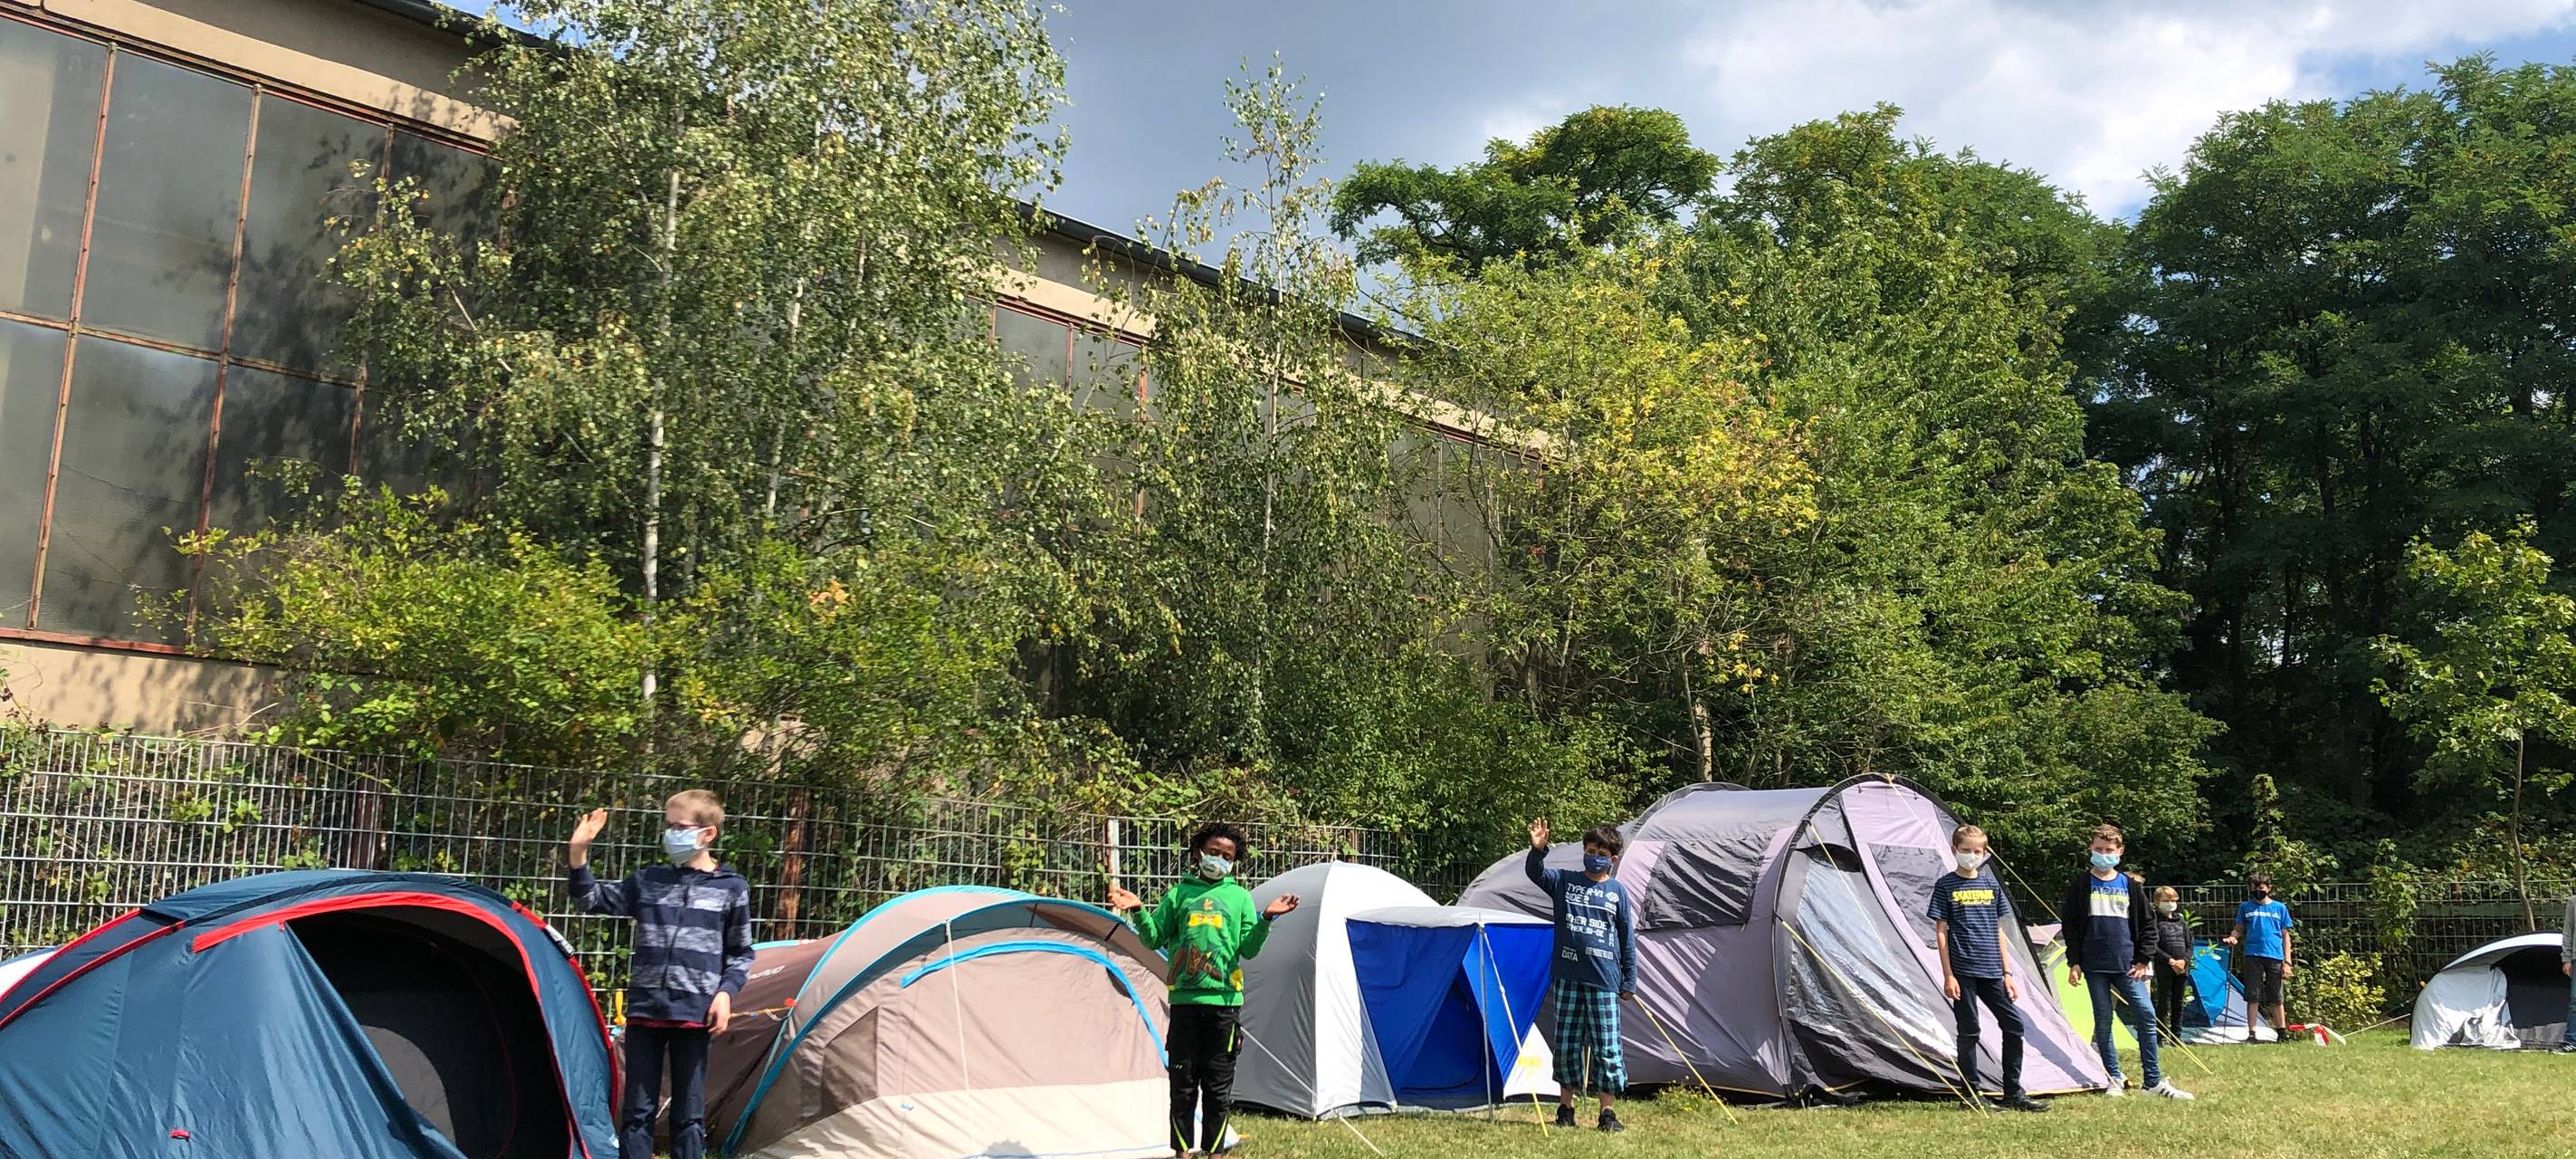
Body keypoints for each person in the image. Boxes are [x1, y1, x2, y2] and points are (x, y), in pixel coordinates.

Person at [567, 790, 756, 1159]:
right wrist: (579, 854)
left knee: (689, 1114)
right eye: (669, 826)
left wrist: (725, 993)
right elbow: (589, 899)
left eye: (680, 826)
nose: (671, 833)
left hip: (695, 1014)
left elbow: (741, 952)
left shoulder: (732, 888)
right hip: (646, 1011)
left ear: (708, 833)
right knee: (637, 1112)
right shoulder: (649, 881)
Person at [1107, 823, 1299, 1158]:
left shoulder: (1239, 898)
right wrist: (1138, 910)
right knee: (1182, 1087)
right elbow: (1153, 939)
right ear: (1199, 852)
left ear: (1234, 861)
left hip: (1224, 1007)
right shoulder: (1179, 894)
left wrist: (1267, 917)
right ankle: (1182, 1152)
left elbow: (1249, 949)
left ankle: (1215, 1153)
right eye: (1213, 852)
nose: (1219, 859)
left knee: (1217, 1088)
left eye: (1227, 856)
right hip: (1184, 1004)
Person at [2057, 825, 2192, 1099]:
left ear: (2120, 852)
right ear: (2090, 849)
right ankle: (2113, 1078)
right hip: (2094, 965)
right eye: (2099, 849)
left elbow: (2148, 925)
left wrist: (2143, 959)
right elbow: (2070, 925)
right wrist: (2075, 961)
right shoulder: (2081, 884)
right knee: (2104, 1020)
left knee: (2146, 1013)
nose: (2103, 854)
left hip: (2129, 964)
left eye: (2109, 850)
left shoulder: (2129, 886)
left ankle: (2152, 1082)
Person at [1526, 818, 1638, 1133]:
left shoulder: (1618, 892)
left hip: (1605, 981)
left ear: (1613, 859)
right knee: (1566, 1045)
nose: (1595, 855)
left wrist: (1629, 981)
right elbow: (1535, 873)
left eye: (1601, 852)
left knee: (1607, 1048)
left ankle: (1607, 1113)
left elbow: (1626, 938)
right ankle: (1566, 1109)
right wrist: (1538, 850)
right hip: (1567, 977)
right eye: (1590, 850)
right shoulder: (1565, 882)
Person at [1927, 824, 2046, 1112]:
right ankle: (1971, 1094)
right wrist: (1948, 974)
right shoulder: (1945, 885)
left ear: (1985, 852)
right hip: (1963, 970)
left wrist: (2008, 973)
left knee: (2014, 1026)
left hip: (1992, 969)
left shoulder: (1991, 885)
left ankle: (2013, 1092)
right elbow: (1941, 932)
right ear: (1954, 851)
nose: (1971, 855)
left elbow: (1998, 930)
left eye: (1977, 851)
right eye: (1966, 850)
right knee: (1969, 1031)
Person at [2225, 872, 2295, 1039]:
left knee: (2277, 996)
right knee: (2252, 995)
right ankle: (2252, 1033)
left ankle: (2282, 1033)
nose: (2258, 892)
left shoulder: (2280, 908)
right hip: (2252, 955)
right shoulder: (2245, 907)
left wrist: (2287, 961)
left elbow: (2285, 936)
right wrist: (2233, 937)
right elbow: (2239, 928)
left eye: (2261, 888)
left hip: (2275, 956)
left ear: (2269, 888)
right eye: (2254, 889)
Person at [2149, 886, 2195, 1037]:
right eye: (2166, 900)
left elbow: (2190, 944)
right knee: (2164, 1001)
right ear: (2157, 902)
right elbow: (2153, 946)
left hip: (2182, 968)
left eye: (2173, 900)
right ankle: (2161, 1035)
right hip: (2165, 968)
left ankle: (2177, 1035)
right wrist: (2171, 961)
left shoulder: (2181, 922)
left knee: (2178, 1002)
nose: (2170, 903)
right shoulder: (2154, 922)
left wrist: (2184, 961)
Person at [2560, 893, 2575, 1053]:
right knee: (2575, 1001)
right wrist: (2567, 958)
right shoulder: (2573, 902)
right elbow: (2568, 931)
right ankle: (2571, 1040)